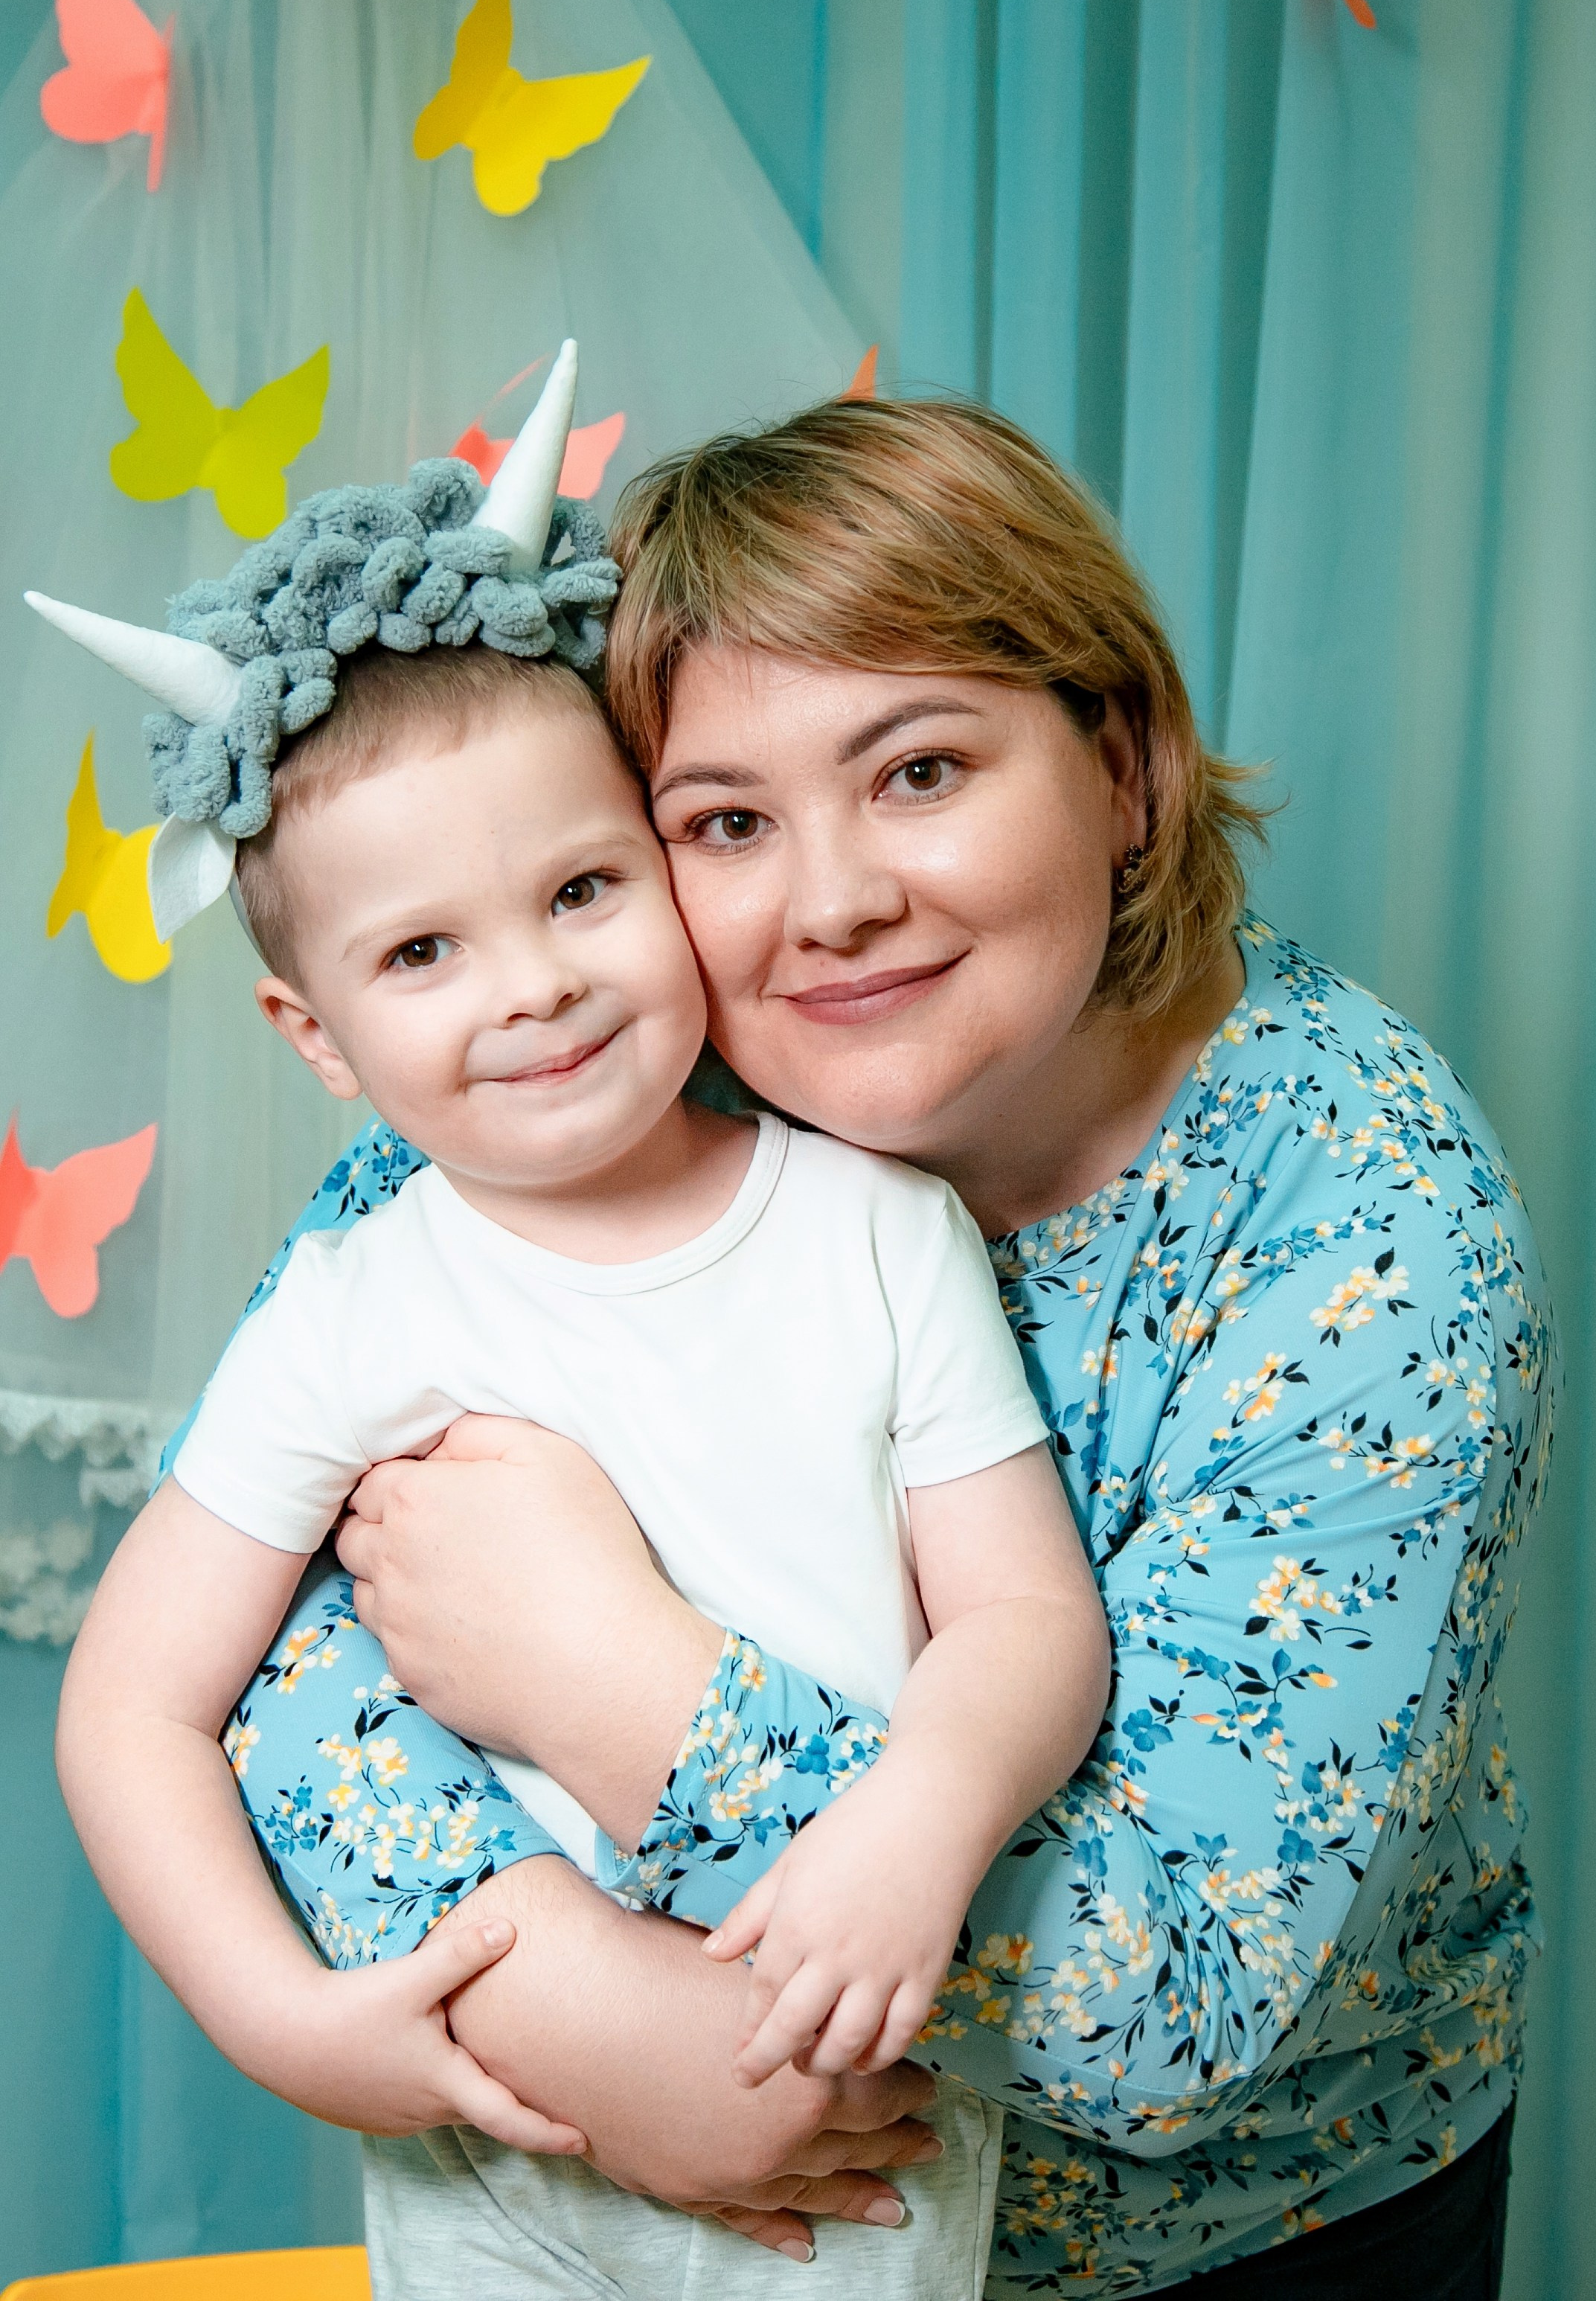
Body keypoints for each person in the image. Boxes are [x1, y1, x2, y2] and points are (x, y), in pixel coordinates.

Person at [77, 389, 1553, 2296]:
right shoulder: (593, 1042)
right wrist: (585, 2003)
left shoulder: (1364, 1229)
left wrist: (623, 1695)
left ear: (1119, 766)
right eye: (720, 823)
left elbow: (1169, 2008)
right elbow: (258, 1656)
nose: (834, 899)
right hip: (599, 2212)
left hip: (1222, 2245)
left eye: (920, 770)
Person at [47, 365, 1110, 2301]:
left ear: (668, 875)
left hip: (845, 2133)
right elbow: (133, 1703)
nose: (533, 986)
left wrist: (922, 1820)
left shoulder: (876, 1232)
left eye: (585, 889)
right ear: (322, 1042)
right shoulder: (358, 1308)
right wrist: (281, 2018)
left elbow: (1027, 1619)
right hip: (505, 2171)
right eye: (424, 952)